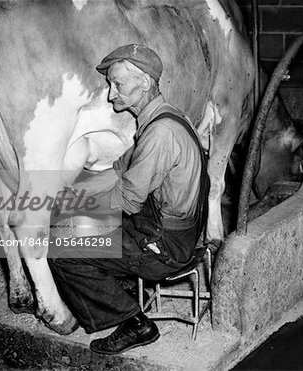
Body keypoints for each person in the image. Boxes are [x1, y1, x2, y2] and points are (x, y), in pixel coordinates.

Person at [48, 44, 209, 355]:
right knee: (91, 227)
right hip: (167, 231)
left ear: (145, 83)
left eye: (117, 84)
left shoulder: (160, 134)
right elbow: (118, 172)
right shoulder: (166, 118)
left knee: (63, 255)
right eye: (111, 85)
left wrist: (76, 208)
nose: (111, 94)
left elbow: (128, 199)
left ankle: (135, 324)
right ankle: (120, 291)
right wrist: (69, 194)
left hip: (164, 246)